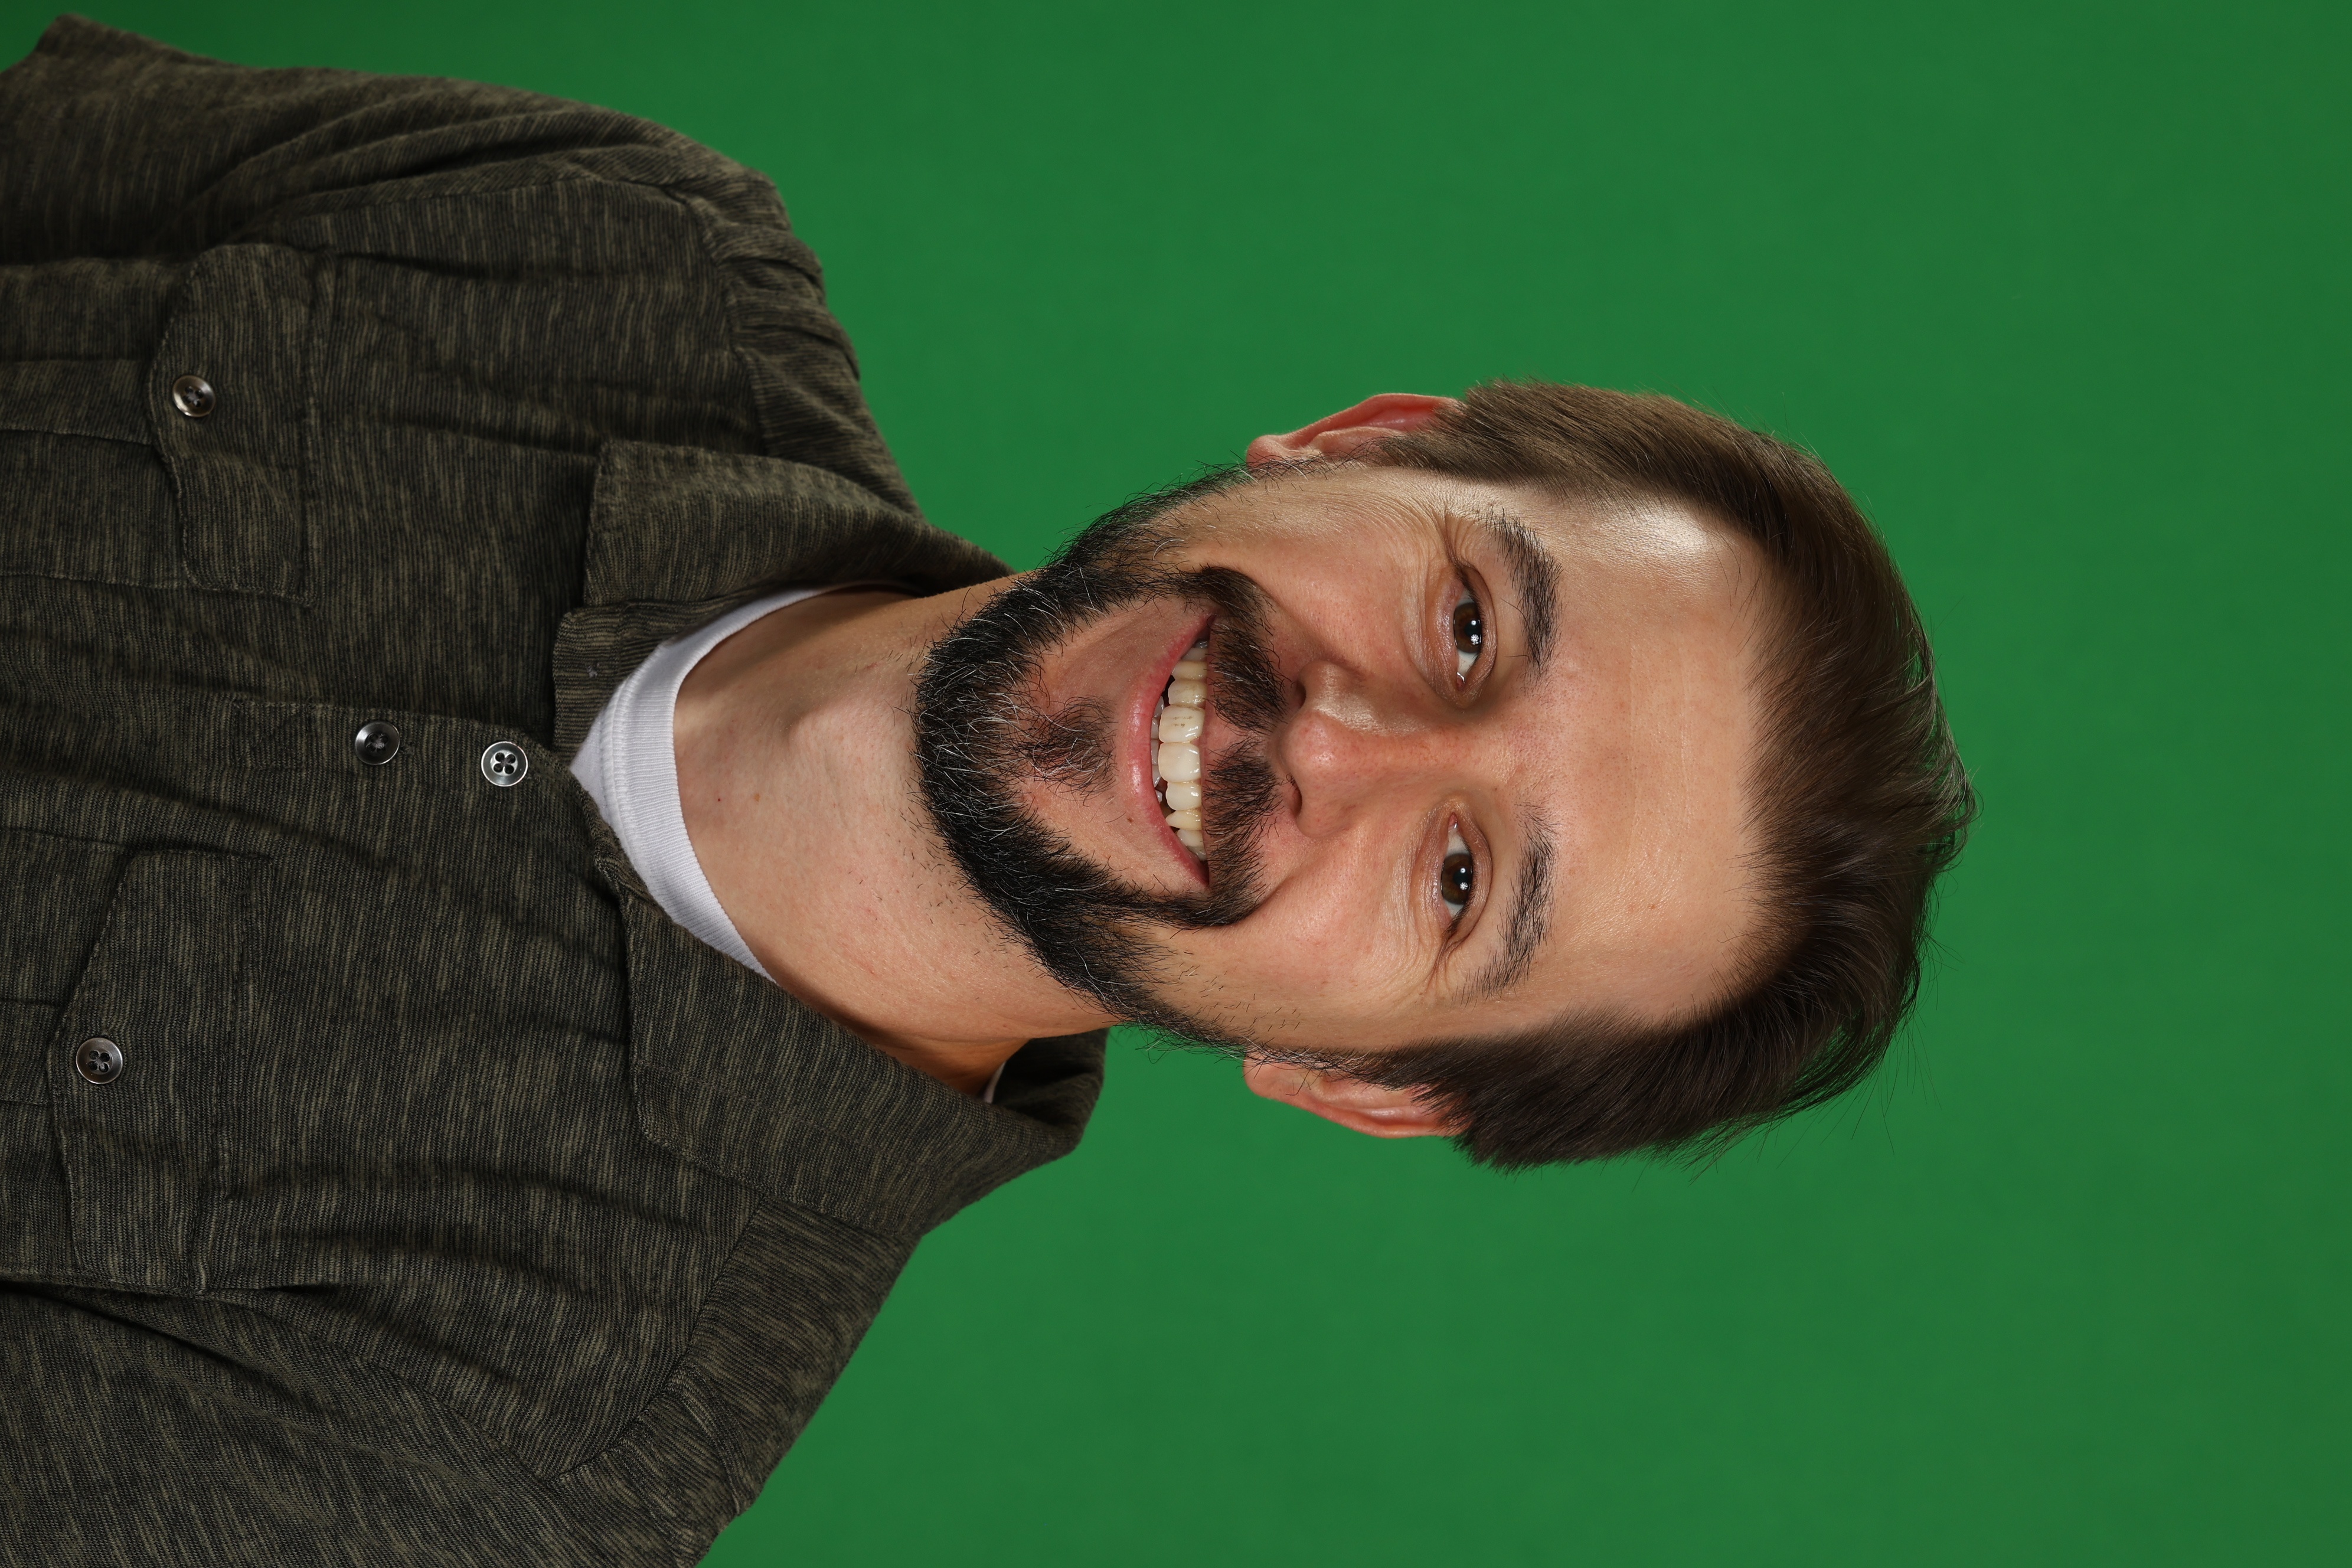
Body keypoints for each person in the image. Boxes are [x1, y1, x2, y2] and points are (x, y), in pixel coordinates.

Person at [0, 17, 1972, 1565]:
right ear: (1363, 443)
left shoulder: (523, 1449)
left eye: (1461, 881)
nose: (1332, 741)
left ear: (1362, 1080)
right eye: (1467, 623)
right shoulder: (624, 242)